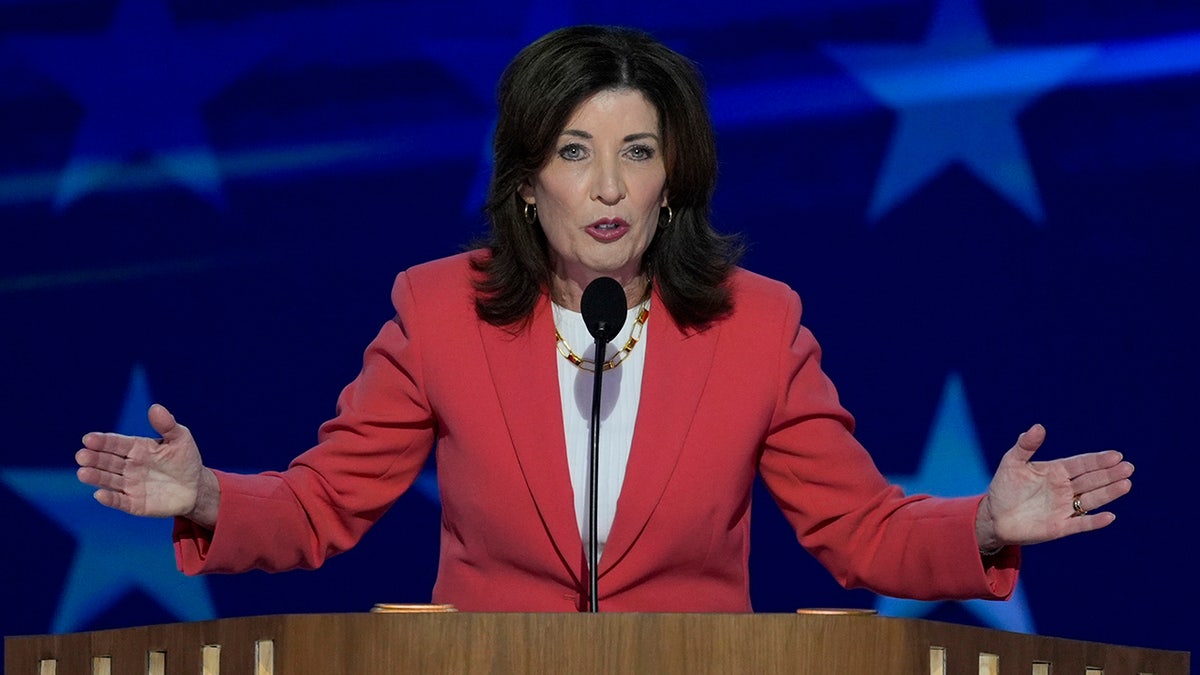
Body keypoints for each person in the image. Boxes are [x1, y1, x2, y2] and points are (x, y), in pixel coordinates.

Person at [75, 25, 1133, 612]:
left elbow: (859, 531)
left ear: (674, 178)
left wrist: (983, 526)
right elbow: (319, 509)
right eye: (577, 153)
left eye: (638, 152)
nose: (610, 185)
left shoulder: (759, 327)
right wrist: (209, 496)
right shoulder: (438, 311)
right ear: (529, 181)